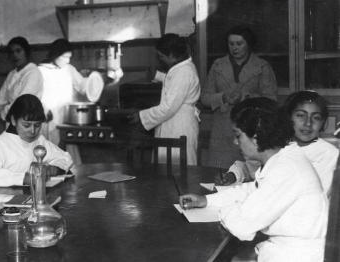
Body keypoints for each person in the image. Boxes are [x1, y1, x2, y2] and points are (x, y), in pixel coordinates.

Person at [180, 97, 328, 262]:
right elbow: (251, 190)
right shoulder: (284, 157)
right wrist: (206, 201)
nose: (235, 142)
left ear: (256, 135)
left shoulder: (286, 169)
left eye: (238, 135)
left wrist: (227, 210)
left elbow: (241, 227)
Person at [217, 91, 339, 197]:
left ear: (323, 123)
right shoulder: (282, 144)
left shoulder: (329, 154)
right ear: (287, 118)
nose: (308, 123)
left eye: (316, 118)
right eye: (300, 115)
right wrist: (234, 174)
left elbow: (317, 194)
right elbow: (252, 167)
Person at [200, 25, 277, 168]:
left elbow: (271, 100)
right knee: (220, 176)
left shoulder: (262, 66)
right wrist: (223, 97)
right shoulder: (218, 66)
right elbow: (204, 97)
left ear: (248, 44)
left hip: (250, 131)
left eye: (239, 44)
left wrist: (247, 98)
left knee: (250, 176)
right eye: (231, 44)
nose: (234, 48)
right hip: (221, 132)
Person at [128, 33, 200, 165]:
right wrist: (157, 75)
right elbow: (173, 83)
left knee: (178, 171)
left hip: (179, 127)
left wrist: (141, 115)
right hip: (174, 124)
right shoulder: (181, 68)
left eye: (161, 57)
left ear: (172, 55)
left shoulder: (184, 72)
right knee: (169, 170)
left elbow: (168, 107)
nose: (160, 60)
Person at [0, 94, 73, 189]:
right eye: (26, 125)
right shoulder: (1, 144)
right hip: (4, 199)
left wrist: (55, 168)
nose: (32, 131)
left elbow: (65, 157)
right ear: (14, 120)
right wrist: (23, 178)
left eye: (37, 125)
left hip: (30, 196)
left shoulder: (39, 139)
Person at [39, 38, 104, 145]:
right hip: (46, 119)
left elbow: (83, 86)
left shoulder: (69, 69)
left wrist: (96, 80)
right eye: (64, 57)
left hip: (67, 118)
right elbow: (33, 96)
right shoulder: (40, 71)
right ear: (55, 55)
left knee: (66, 149)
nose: (67, 60)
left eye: (69, 57)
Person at [0, 36, 44, 122]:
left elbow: (22, 103)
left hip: (28, 122)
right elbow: (1, 97)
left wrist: (3, 113)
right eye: (11, 52)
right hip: (12, 120)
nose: (15, 55)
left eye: (18, 51)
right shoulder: (12, 74)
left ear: (26, 52)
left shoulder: (33, 73)